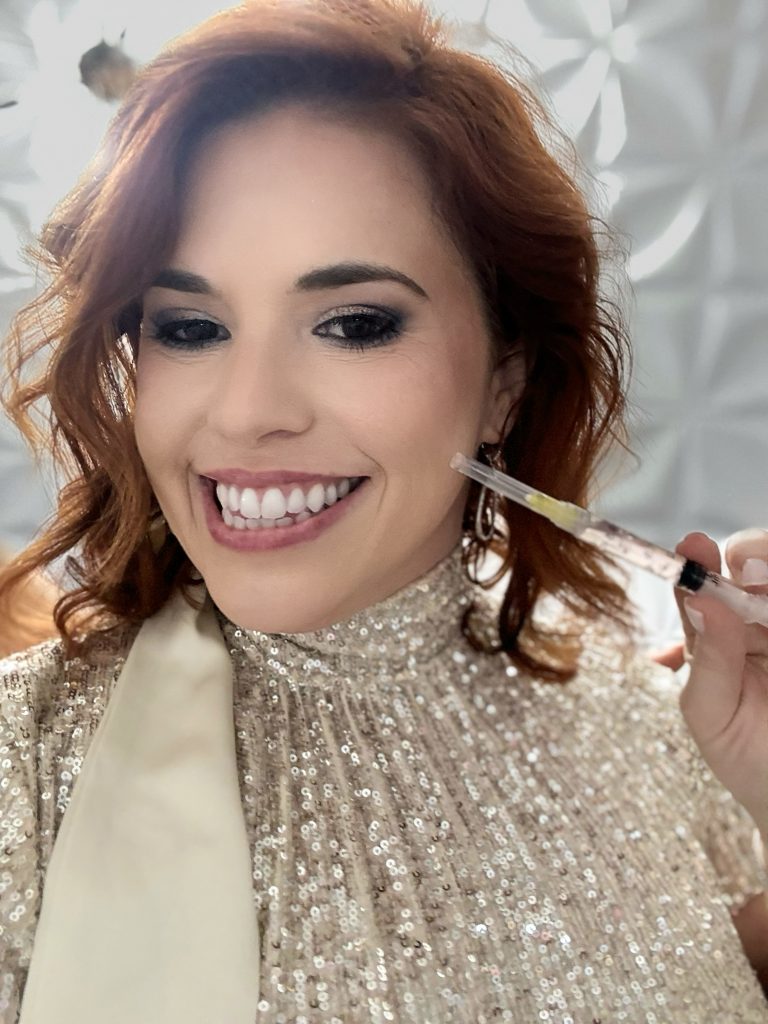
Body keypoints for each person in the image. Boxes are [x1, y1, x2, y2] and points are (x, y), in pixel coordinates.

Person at [0, 1, 766, 1021]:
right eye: (189, 326)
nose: (249, 411)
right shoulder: (21, 766)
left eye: (354, 323)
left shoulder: (664, 730)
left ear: (504, 384)